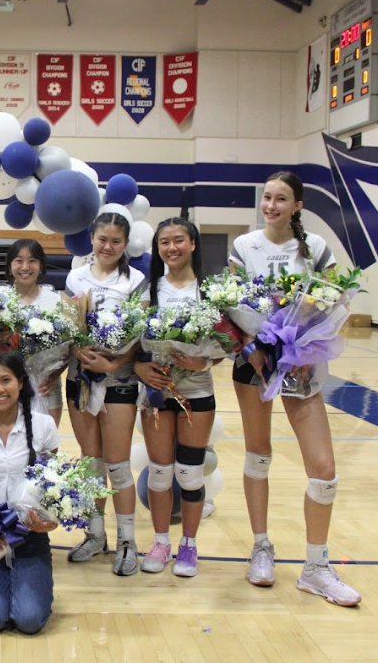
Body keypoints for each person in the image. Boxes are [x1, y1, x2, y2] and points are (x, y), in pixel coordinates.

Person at [229, 171, 360, 606]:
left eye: (281, 199)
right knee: (258, 455)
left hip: (301, 364)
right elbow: (227, 304)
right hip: (254, 363)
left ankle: (316, 567)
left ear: (297, 205)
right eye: (266, 197)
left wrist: (301, 335)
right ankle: (261, 546)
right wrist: (252, 346)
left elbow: (336, 297)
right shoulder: (244, 246)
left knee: (323, 469)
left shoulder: (317, 248)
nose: (271, 205)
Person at [63, 212, 149, 576]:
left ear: (125, 244)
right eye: (102, 239)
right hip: (80, 379)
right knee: (90, 462)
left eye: (116, 241)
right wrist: (77, 351)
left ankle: (127, 540)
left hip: (118, 382)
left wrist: (114, 365)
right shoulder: (75, 276)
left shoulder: (137, 280)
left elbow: (139, 335)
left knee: (117, 464)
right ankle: (95, 534)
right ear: (92, 239)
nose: (108, 246)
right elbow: (69, 324)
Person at [134, 217, 220, 577]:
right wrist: (141, 368)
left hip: (196, 392)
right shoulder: (149, 290)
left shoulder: (210, 290)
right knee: (159, 474)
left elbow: (226, 342)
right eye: (164, 242)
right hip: (156, 393)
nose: (172, 247)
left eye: (179, 240)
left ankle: (189, 545)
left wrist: (206, 359)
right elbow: (131, 341)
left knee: (188, 474)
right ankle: (160, 542)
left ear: (193, 244)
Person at [0, 353, 60, 634]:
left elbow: (54, 486)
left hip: (29, 536)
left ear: (20, 382)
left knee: (29, 621)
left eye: (6, 380)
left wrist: (50, 521)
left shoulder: (44, 426)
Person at [3, 239, 66, 424]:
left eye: (32, 260)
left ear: (41, 265)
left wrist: (54, 374)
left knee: (47, 449)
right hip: (7, 388)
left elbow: (69, 348)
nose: (25, 267)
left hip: (45, 386)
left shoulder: (55, 301)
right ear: (9, 266)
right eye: (18, 260)